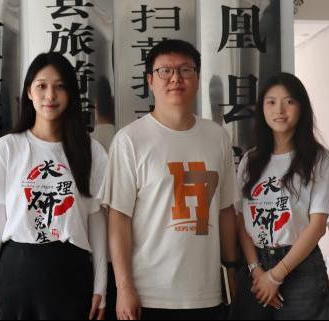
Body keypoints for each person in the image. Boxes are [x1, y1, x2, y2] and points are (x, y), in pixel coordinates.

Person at [100, 39, 237, 321]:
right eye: (165, 71)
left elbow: (225, 211)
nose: (176, 78)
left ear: (197, 79)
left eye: (185, 70)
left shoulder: (217, 137)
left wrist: (232, 270)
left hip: (207, 292)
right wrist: (123, 287)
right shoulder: (130, 140)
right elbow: (118, 219)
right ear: (150, 80)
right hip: (149, 294)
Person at [0, 52, 108, 320]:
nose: (50, 95)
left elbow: (96, 220)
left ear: (71, 94)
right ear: (29, 92)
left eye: (60, 86)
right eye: (42, 86)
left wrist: (101, 287)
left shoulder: (90, 150)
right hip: (18, 272)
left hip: (71, 271)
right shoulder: (7, 148)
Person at [232, 72, 329, 320]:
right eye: (271, 102)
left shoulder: (318, 159)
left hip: (300, 267)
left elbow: (317, 226)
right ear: (262, 109)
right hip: (256, 264)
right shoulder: (250, 160)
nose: (279, 110)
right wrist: (256, 270)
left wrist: (276, 275)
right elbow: (241, 219)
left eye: (289, 101)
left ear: (302, 107)